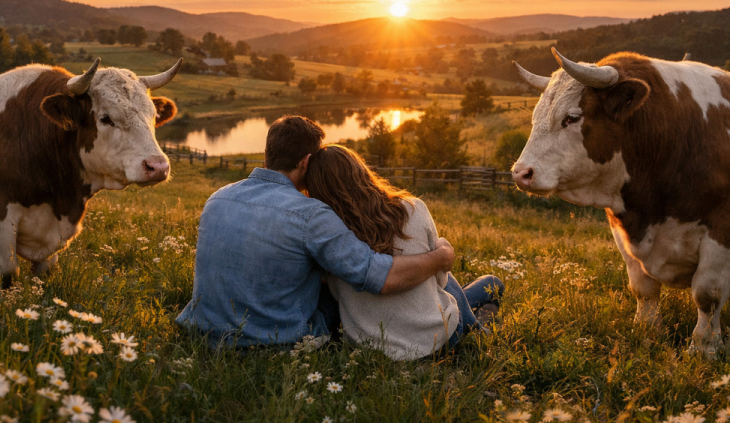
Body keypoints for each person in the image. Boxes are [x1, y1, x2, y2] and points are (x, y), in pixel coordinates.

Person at [175, 115, 456, 348]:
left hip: (204, 335)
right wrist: (439, 258)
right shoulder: (310, 215)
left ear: (268, 154)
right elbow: (378, 276)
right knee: (349, 292)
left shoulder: (217, 198)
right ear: (306, 163)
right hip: (270, 342)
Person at [306, 144, 504, 360]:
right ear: (361, 171)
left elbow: (336, 293)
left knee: (447, 283)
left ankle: (473, 323)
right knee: (491, 283)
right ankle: (476, 326)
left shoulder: (328, 238)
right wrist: (442, 251)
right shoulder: (413, 208)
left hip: (372, 350)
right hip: (437, 340)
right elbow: (440, 279)